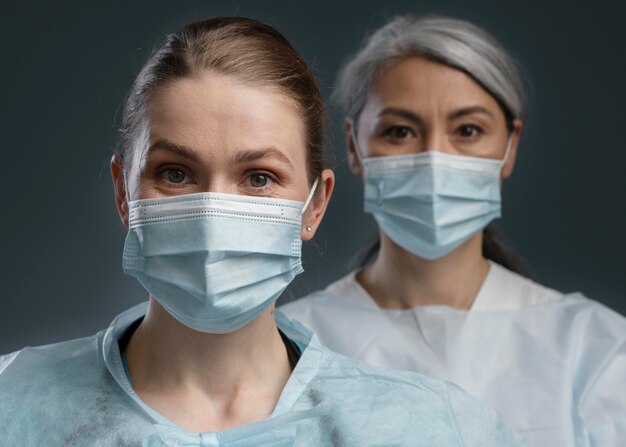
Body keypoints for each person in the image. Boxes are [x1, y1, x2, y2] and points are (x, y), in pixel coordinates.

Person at [0, 17, 525, 446]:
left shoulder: (434, 430)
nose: (213, 211)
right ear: (123, 192)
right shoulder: (11, 406)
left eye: (259, 178)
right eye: (175, 173)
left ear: (314, 205)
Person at [281, 14, 626, 447]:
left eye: (467, 130)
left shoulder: (595, 349)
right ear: (354, 146)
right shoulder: (289, 345)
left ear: (509, 147)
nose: (434, 159)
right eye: (400, 131)